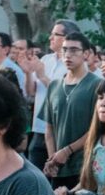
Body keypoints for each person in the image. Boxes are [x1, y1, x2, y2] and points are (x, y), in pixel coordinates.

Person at [42, 32, 102, 191]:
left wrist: (68, 150)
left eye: (74, 50)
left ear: (86, 54)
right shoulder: (54, 85)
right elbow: (49, 129)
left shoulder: (97, 85)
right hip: (59, 167)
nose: (68, 55)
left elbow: (97, 129)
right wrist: (53, 158)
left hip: (86, 165)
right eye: (65, 50)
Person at [20, 19, 80, 171]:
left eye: (55, 34)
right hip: (39, 127)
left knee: (57, 178)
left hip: (60, 130)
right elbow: (31, 92)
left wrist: (42, 75)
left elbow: (66, 93)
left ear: (67, 38)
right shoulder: (46, 59)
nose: (50, 38)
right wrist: (28, 73)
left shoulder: (76, 63)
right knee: (35, 174)